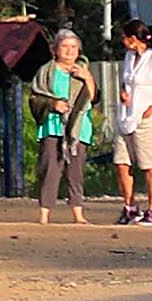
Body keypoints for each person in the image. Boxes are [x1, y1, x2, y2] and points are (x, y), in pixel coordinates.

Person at [24, 25, 102, 225]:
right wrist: (52, 104)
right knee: (50, 169)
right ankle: (44, 214)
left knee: (75, 171)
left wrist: (88, 79)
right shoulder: (46, 71)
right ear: (55, 49)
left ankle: (78, 213)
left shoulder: (83, 71)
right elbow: (35, 98)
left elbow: (93, 98)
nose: (69, 51)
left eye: (74, 47)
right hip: (52, 127)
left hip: (78, 130)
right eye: (65, 46)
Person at [111, 21, 152, 227]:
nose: (122, 41)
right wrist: (124, 94)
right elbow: (127, 82)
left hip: (147, 119)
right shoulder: (129, 57)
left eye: (124, 37)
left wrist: (151, 110)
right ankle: (130, 207)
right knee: (121, 162)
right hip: (126, 117)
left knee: (150, 165)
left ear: (133, 38)